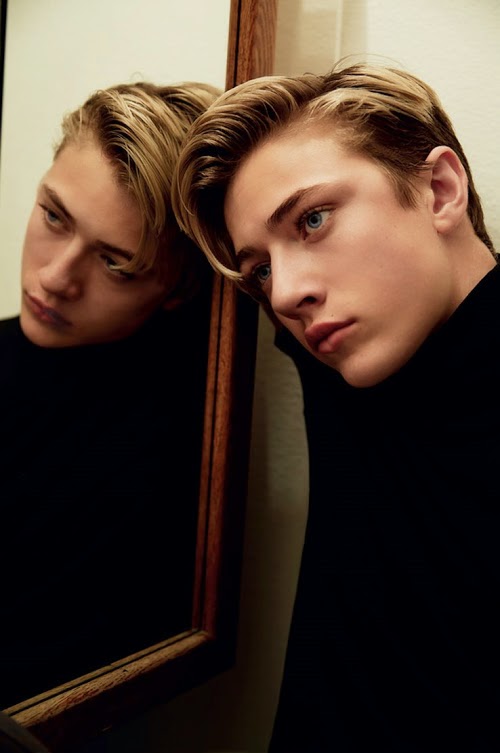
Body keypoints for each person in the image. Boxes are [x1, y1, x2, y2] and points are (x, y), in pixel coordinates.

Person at [172, 62, 500, 751]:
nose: (285, 293)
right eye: (260, 269)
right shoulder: (340, 368)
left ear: (440, 189)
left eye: (312, 219)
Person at [0, 79, 220, 710]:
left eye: (116, 264)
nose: (55, 277)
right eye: (54, 216)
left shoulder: (167, 450)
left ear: (179, 288)